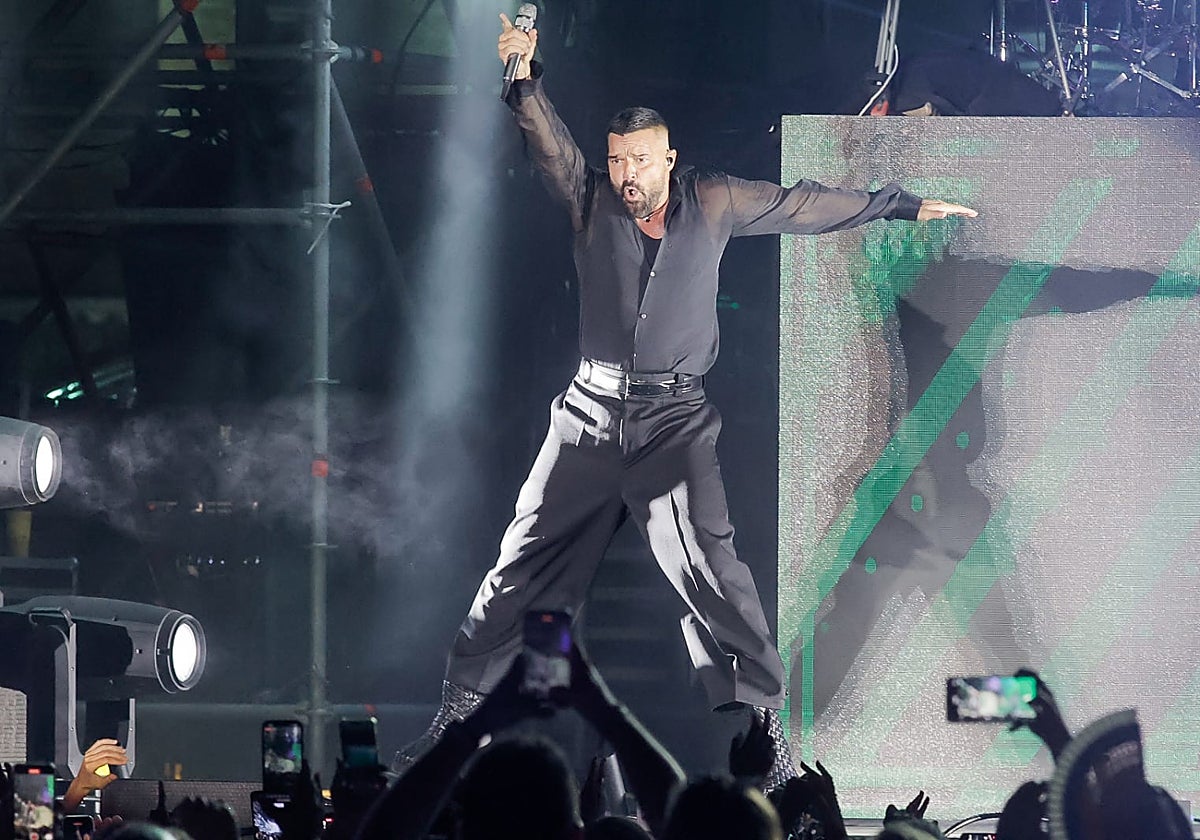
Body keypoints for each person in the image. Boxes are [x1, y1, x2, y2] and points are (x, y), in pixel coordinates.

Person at [393, 8, 979, 788]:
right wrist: (523, 81)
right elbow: (549, 142)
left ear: (669, 159)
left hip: (673, 421)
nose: (627, 174)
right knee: (517, 565)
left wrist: (898, 204)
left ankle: (768, 729)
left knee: (711, 566)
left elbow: (802, 205)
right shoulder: (589, 199)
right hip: (587, 417)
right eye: (617, 160)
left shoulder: (715, 200)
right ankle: (456, 716)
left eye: (640, 160)